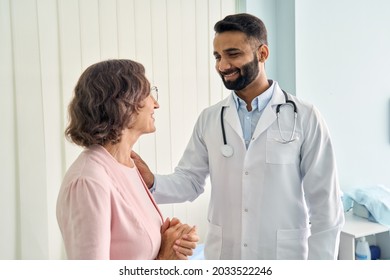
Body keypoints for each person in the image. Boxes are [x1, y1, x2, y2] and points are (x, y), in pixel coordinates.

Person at [131, 13, 345, 260]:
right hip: (225, 257)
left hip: (284, 257)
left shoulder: (305, 117)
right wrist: (151, 181)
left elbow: (326, 205)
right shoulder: (211, 119)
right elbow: (190, 181)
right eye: (218, 56)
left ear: (262, 53)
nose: (223, 65)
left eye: (233, 54)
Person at [56, 59, 198, 260]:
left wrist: (171, 242)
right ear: (124, 103)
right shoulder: (88, 181)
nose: (155, 104)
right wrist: (164, 261)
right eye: (148, 93)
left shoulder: (128, 166)